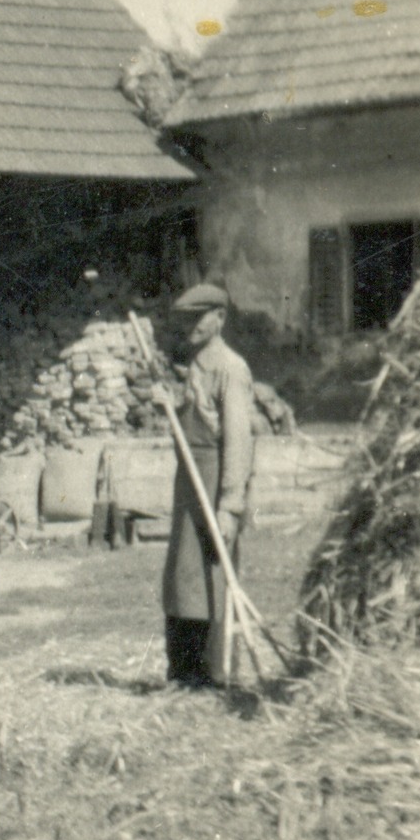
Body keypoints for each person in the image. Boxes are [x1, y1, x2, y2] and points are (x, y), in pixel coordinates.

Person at [153, 283, 256, 688]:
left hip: (214, 485)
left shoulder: (231, 368)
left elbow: (238, 441)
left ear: (220, 319)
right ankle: (181, 672)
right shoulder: (194, 365)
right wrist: (168, 405)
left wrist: (230, 505)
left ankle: (213, 674)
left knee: (212, 574)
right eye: (186, 320)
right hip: (189, 486)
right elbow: (189, 425)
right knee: (182, 577)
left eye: (199, 318)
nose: (191, 327)